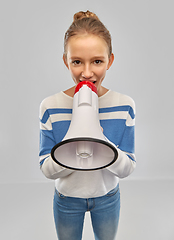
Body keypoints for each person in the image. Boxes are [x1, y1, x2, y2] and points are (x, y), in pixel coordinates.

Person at [39, 10, 136, 240]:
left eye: (97, 61)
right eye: (77, 62)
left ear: (110, 61)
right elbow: (46, 168)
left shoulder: (124, 105)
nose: (87, 73)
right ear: (66, 61)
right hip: (66, 199)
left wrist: (104, 144)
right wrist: (72, 146)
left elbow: (127, 167)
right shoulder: (50, 106)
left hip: (107, 198)